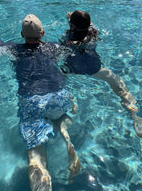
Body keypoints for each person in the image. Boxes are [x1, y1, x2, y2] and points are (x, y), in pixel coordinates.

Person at [0, 14, 81, 191]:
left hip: (32, 99)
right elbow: (71, 42)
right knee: (59, 116)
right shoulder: (54, 47)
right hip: (58, 94)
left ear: (22, 34)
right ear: (43, 32)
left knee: (35, 155)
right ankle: (65, 134)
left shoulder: (14, 50)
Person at [59, 10, 142, 138]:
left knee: (59, 78)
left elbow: (62, 51)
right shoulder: (93, 32)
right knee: (116, 80)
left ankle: (72, 103)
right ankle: (134, 115)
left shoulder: (67, 37)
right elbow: (87, 24)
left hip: (73, 69)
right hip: (93, 68)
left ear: (71, 26)